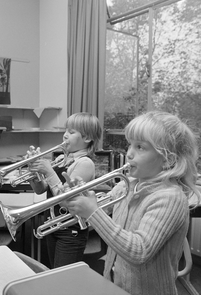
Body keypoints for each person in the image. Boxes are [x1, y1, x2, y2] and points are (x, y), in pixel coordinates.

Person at [63, 111, 201, 295]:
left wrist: (92, 212)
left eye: (140, 147)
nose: (129, 153)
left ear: (168, 159)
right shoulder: (126, 186)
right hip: (113, 285)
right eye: (130, 145)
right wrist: (77, 199)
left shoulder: (170, 197)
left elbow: (139, 251)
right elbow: (93, 215)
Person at [27, 112, 102, 268]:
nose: (65, 135)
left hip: (70, 231)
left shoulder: (85, 163)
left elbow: (65, 201)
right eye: (65, 130)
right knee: (54, 274)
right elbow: (41, 189)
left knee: (64, 279)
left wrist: (49, 171)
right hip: (53, 225)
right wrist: (34, 172)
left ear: (87, 138)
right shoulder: (62, 159)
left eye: (71, 132)